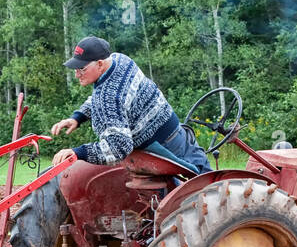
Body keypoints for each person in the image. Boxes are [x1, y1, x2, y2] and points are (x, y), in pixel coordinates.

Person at [49, 36, 211, 175]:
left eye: (81, 69)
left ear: (99, 64)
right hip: (168, 129)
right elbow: (97, 98)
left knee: (204, 184)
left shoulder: (110, 95)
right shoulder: (119, 60)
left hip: (165, 145)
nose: (77, 74)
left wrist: (77, 153)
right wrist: (78, 118)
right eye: (75, 69)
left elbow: (119, 147)